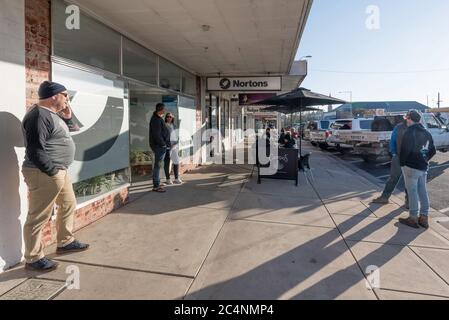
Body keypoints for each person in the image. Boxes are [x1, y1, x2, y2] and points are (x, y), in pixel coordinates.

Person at [21, 81, 89, 271]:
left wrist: (67, 117)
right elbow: (35, 149)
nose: (68, 99)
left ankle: (65, 241)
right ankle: (33, 258)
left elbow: (73, 130)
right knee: (38, 216)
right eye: (65, 95)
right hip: (44, 172)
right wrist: (52, 171)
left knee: (68, 203)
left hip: (58, 171)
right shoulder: (38, 115)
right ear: (55, 96)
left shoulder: (52, 115)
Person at [399, 110, 436, 229]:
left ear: (410, 119)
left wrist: (402, 163)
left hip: (411, 166)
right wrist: (424, 159)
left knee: (412, 192)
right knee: (423, 192)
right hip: (423, 166)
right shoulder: (426, 132)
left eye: (407, 119)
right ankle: (424, 218)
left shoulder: (409, 132)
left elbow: (405, 150)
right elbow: (433, 150)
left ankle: (413, 218)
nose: (406, 121)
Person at [372, 116, 409, 207]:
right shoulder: (399, 127)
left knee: (408, 180)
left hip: (410, 158)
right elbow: (392, 141)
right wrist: (394, 154)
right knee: (394, 177)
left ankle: (409, 201)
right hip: (399, 156)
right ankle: (385, 197)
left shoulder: (417, 128)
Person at [149, 103, 170, 192]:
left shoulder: (157, 118)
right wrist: (163, 144)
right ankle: (156, 186)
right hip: (159, 146)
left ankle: (157, 182)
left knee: (158, 165)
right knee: (158, 166)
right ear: (160, 110)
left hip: (160, 146)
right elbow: (157, 135)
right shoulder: (156, 120)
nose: (164, 111)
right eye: (163, 110)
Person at [164, 113, 182, 185]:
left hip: (174, 146)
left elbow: (177, 136)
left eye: (170, 117)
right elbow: (163, 137)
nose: (169, 118)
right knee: (167, 163)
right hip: (167, 147)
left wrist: (176, 143)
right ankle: (168, 179)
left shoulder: (174, 126)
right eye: (167, 117)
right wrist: (167, 145)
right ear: (166, 118)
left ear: (172, 118)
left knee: (176, 162)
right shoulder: (164, 125)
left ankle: (176, 178)